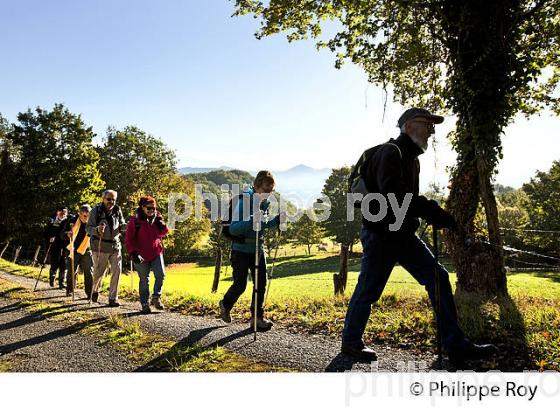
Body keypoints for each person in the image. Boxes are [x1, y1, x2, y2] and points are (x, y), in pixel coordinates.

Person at [341, 108, 498, 366]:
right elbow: (397, 197)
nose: (432, 131)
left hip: (402, 234)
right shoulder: (390, 153)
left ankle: (455, 345)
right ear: (410, 126)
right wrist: (433, 211)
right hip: (380, 235)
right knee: (369, 290)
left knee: (438, 278)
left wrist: (428, 213)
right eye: (428, 124)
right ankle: (351, 342)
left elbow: (405, 200)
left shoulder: (412, 159)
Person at [218, 171, 282, 330]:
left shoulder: (264, 203)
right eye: (266, 189)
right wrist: (253, 219)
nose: (268, 193)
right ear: (256, 186)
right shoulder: (245, 202)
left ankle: (257, 319)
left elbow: (263, 224)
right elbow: (234, 229)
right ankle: (225, 304)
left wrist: (276, 221)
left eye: (271, 190)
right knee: (240, 285)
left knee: (261, 283)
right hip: (240, 249)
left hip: (258, 248)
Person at [125, 196, 170, 314]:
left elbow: (164, 232)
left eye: (154, 208)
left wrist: (163, 225)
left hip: (156, 252)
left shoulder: (157, 218)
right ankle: (145, 303)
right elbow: (128, 239)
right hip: (140, 254)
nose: (152, 211)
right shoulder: (135, 221)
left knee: (161, 275)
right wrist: (133, 252)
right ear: (142, 207)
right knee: (144, 280)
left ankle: (156, 297)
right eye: (149, 208)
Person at [87, 190, 127, 307]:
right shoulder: (96, 210)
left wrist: (127, 226)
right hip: (100, 246)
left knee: (116, 272)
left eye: (113, 199)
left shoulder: (117, 210)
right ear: (103, 199)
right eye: (108, 199)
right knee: (99, 273)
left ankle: (112, 298)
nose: (111, 202)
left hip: (115, 245)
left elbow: (121, 224)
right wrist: (97, 230)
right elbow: (88, 228)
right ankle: (94, 290)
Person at [61, 205, 94, 298]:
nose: (86, 218)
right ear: (79, 214)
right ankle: (70, 290)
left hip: (86, 250)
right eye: (84, 216)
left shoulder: (92, 222)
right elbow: (62, 235)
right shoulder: (72, 221)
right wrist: (67, 234)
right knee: (72, 271)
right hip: (73, 249)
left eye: (88, 216)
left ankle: (89, 293)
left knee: (89, 271)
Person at [44, 206, 68, 289]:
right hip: (54, 245)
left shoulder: (67, 222)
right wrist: (50, 237)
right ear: (57, 212)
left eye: (64, 212)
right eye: (61, 212)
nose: (63, 214)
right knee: (54, 263)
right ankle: (52, 279)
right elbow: (46, 232)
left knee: (63, 264)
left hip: (65, 246)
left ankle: (61, 283)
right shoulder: (52, 221)